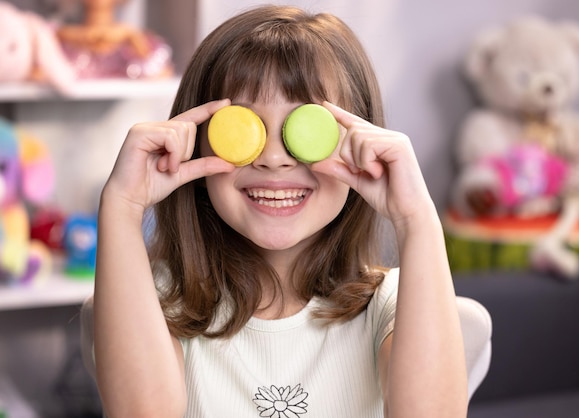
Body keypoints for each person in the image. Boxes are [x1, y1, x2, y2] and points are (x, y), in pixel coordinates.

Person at [93, 4, 469, 417]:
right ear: (195, 141)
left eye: (307, 130)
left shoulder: (391, 303)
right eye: (242, 129)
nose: (273, 158)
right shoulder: (153, 300)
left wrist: (416, 219)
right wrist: (121, 206)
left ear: (361, 143)